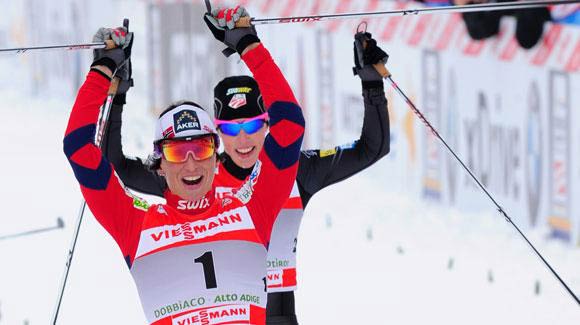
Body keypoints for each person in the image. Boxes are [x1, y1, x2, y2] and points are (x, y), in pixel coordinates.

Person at [103, 6, 391, 324]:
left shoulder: (298, 170)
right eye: (230, 128)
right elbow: (117, 166)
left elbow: (371, 149)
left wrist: (371, 84)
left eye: (252, 126)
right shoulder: (196, 175)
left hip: (278, 314)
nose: (243, 140)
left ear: (268, 124)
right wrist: (117, 96)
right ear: (215, 134)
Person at [63, 9, 304, 324]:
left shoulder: (252, 208)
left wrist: (248, 45)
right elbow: (79, 148)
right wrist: (103, 68)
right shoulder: (135, 225)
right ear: (159, 164)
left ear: (216, 155)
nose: (191, 164)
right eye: (177, 153)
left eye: (200, 148)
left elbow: (289, 127)